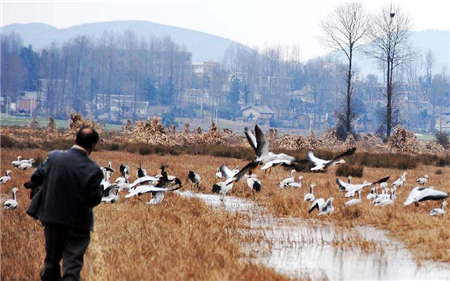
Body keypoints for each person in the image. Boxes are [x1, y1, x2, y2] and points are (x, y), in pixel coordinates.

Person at [25, 126, 104, 281]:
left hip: (52, 220)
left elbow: (36, 177)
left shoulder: (54, 157)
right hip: (78, 224)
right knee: (72, 267)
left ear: (75, 139)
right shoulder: (93, 169)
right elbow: (93, 199)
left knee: (51, 263)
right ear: (93, 145)